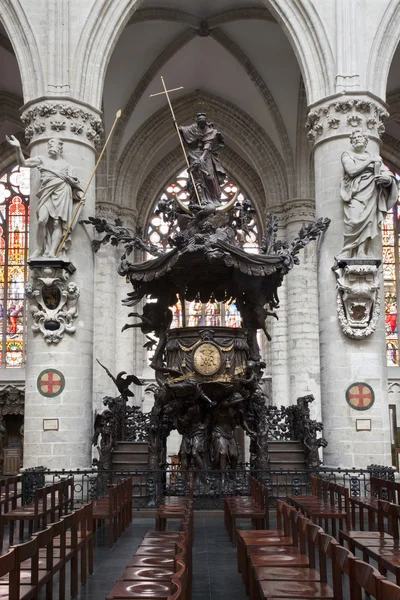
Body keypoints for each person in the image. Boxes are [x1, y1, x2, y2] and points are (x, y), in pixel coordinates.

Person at [6, 135, 84, 258]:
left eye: (53, 145)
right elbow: (23, 163)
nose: (50, 147)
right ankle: (40, 248)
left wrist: (80, 195)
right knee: (42, 220)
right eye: (49, 145)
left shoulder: (67, 166)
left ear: (60, 148)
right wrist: (18, 148)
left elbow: (75, 184)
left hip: (62, 193)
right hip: (47, 193)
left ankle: (52, 252)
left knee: (58, 224)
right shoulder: (42, 159)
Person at [338, 129, 398, 258]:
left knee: (369, 222)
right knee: (353, 220)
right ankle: (347, 250)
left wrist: (387, 180)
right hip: (356, 193)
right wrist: (369, 161)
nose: (358, 139)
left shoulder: (376, 158)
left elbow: (386, 173)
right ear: (352, 141)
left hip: (372, 193)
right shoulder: (347, 154)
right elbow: (352, 170)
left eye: (361, 137)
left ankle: (361, 251)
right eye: (356, 138)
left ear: (365, 141)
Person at [179, 113, 226, 210]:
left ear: (206, 121)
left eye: (203, 121)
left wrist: (202, 157)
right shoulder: (193, 129)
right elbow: (184, 130)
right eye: (200, 121)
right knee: (196, 178)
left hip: (206, 155)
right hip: (194, 153)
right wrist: (178, 127)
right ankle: (199, 199)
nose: (202, 123)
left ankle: (213, 199)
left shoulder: (211, 131)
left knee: (210, 178)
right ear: (197, 122)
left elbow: (208, 145)